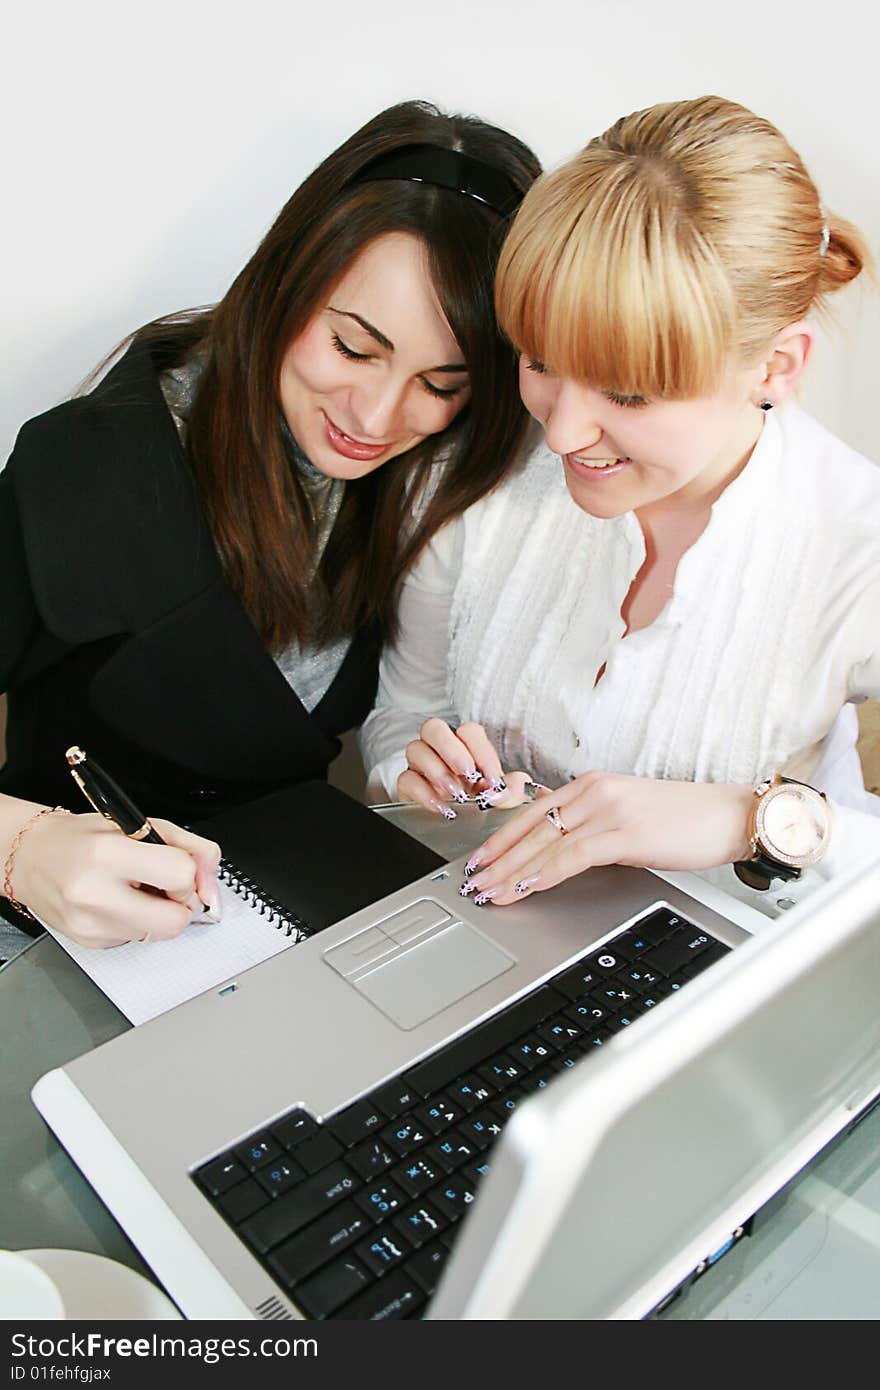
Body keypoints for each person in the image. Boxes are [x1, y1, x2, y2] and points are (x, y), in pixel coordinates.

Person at [0, 100, 541, 949]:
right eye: (353, 348)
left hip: (279, 926)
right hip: (65, 937)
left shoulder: (429, 479)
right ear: (288, 280)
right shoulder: (94, 465)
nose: (376, 414)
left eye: (442, 384)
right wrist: (19, 851)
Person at [360, 94, 880, 911]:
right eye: (539, 361)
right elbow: (403, 714)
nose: (563, 434)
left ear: (777, 367)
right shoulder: (473, 473)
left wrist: (748, 820)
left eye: (630, 394)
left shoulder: (856, 544)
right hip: (483, 941)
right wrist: (410, 770)